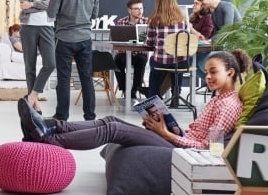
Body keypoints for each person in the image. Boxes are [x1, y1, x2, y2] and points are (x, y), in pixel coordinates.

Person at [19, 49, 250, 152]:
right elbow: (198, 135)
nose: (208, 77)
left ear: (230, 73)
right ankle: (49, 126)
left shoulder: (229, 105)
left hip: (179, 150)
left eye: (213, 72)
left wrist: (166, 133)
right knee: (109, 118)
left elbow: (212, 149)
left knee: (113, 128)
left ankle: (48, 141)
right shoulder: (219, 99)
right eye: (207, 72)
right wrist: (169, 125)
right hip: (178, 139)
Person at [46, 0, 100, 121]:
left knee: (64, 78)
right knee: (86, 77)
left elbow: (50, 13)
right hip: (85, 38)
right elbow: (95, 14)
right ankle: (90, 116)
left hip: (64, 38)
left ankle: (62, 116)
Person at [18, 0, 56, 113]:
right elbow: (22, 6)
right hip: (28, 27)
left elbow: (52, 4)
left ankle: (32, 96)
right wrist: (42, 4)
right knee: (30, 66)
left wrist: (32, 4)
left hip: (46, 26)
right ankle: (34, 104)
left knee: (50, 63)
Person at [144, 0, 191, 104]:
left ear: (158, 1)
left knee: (154, 67)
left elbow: (149, 43)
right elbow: (187, 39)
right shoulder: (184, 18)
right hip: (181, 62)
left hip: (161, 62)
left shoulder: (154, 20)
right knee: (177, 66)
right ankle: (176, 95)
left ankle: (154, 98)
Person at [113, 0, 149, 100]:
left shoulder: (147, 21)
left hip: (140, 54)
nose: (140, 11)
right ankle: (125, 89)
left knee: (141, 60)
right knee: (117, 61)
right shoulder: (122, 22)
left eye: (141, 8)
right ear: (129, 10)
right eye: (136, 9)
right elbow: (118, 42)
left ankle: (134, 90)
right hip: (125, 53)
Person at [190, 0, 215, 86]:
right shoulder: (193, 18)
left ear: (203, 6)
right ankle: (213, 83)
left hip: (204, 51)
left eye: (196, 3)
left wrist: (191, 29)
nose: (193, 5)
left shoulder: (208, 17)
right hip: (194, 50)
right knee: (189, 64)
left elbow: (204, 38)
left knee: (193, 64)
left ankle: (214, 82)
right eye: (193, 3)